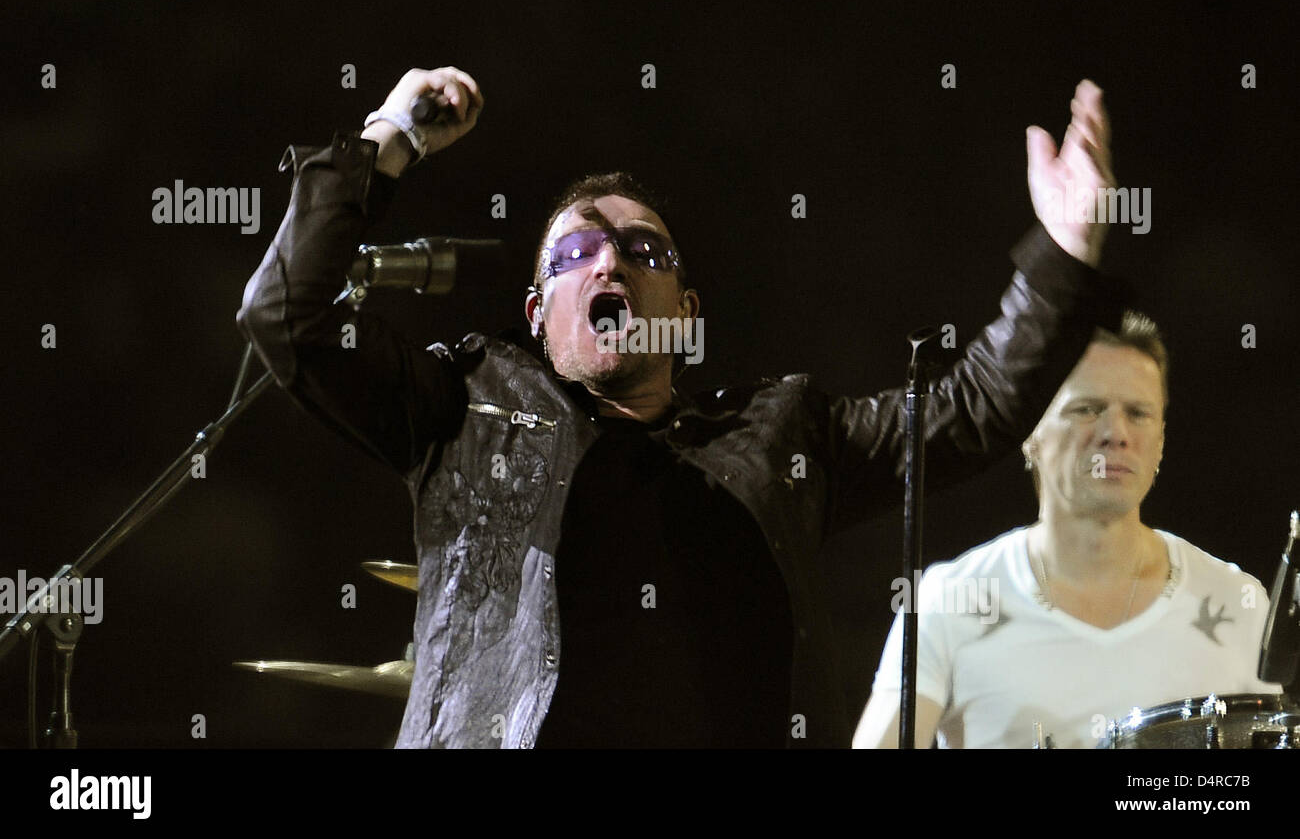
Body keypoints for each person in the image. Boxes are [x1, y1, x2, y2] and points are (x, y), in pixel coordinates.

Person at [238, 66, 1126, 747]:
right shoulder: (468, 409)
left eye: (639, 249)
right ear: (538, 315)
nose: (608, 263)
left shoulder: (783, 436)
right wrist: (389, 134)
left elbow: (972, 408)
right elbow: (287, 316)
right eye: (575, 250)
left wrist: (1062, 254)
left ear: (686, 313)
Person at [853, 311, 1282, 749]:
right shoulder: (950, 599)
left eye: (1137, 413)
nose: (1115, 433)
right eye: (1087, 409)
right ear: (1030, 431)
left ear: (1161, 441)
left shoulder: (1236, 601)